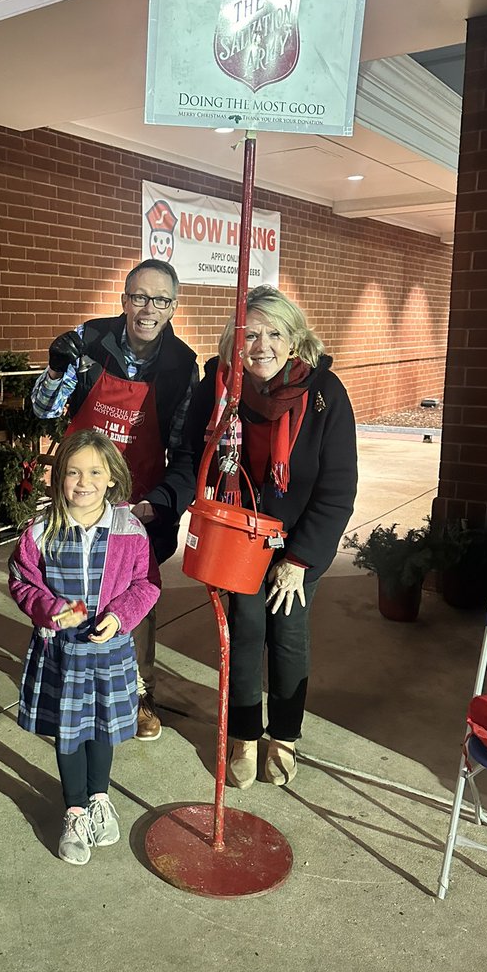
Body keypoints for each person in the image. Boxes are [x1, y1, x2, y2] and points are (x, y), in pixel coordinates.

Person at [147, 285, 357, 787]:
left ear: (294, 339)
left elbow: (337, 489)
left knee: (286, 633)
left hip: (297, 541)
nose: (261, 345)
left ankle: (283, 736)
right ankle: (242, 733)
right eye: (250, 334)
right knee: (243, 632)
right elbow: (191, 460)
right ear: (233, 340)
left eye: (274, 333)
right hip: (236, 538)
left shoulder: (324, 394)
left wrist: (301, 560)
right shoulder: (217, 389)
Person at [30, 259, 197, 741]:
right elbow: (45, 410)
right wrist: (58, 369)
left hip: (137, 500)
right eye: (139, 297)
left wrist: (162, 504)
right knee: (62, 582)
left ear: (173, 306)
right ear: (124, 300)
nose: (148, 309)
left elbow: (185, 447)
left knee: (133, 598)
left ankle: (136, 692)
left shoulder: (183, 365)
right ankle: (64, 680)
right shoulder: (88, 341)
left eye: (160, 300)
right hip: (77, 490)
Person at [8, 430, 160, 864]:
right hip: (63, 655)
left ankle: (99, 798)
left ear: (112, 477)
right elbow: (21, 581)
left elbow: (146, 583)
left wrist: (119, 617)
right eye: (72, 473)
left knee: (104, 728)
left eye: (95, 471)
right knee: (70, 733)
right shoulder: (41, 529)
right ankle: (74, 811)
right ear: (59, 479)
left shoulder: (130, 530)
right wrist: (51, 608)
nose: (83, 482)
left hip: (110, 652)